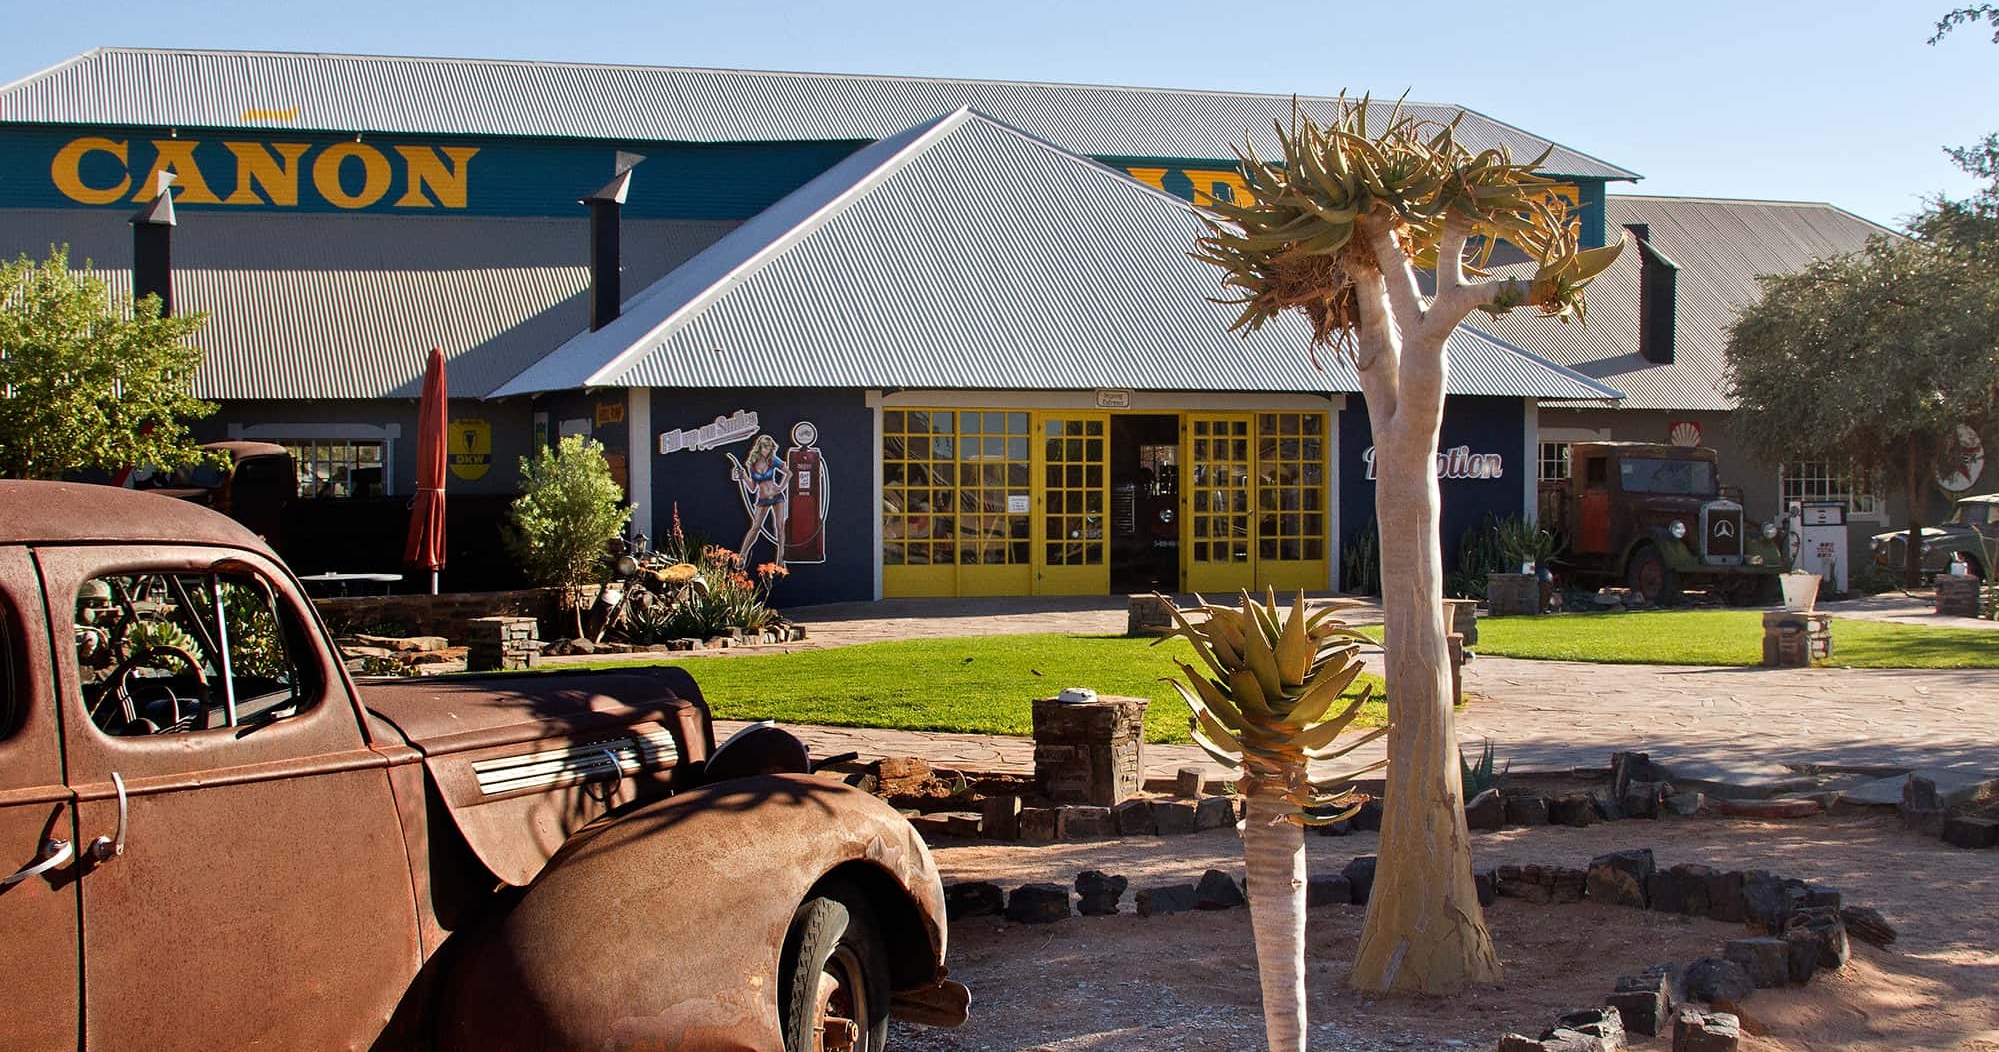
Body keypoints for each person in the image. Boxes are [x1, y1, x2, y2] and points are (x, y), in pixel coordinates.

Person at [726, 434, 788, 566]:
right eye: (765, 447)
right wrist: (743, 477)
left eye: (769, 448)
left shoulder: (773, 460)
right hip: (763, 499)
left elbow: (789, 473)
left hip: (777, 497)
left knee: (780, 526)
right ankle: (742, 557)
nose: (767, 450)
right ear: (759, 447)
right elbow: (753, 488)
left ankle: (780, 559)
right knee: (755, 527)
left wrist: (780, 487)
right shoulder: (752, 464)